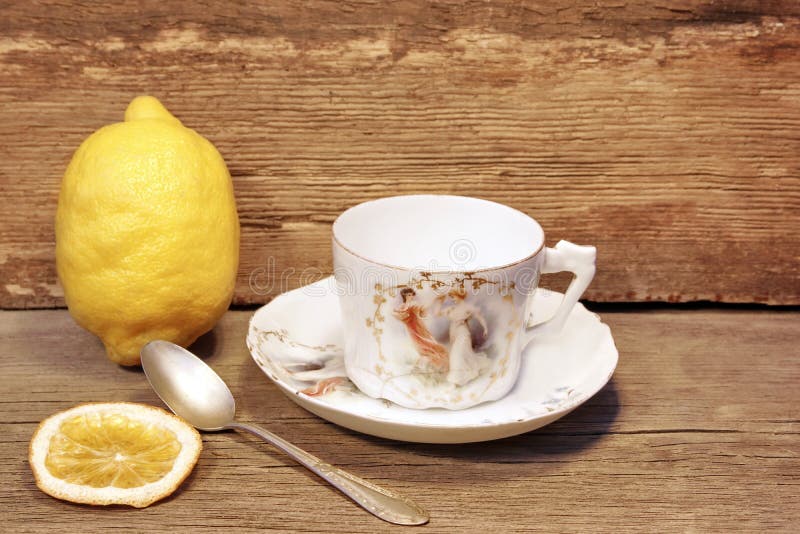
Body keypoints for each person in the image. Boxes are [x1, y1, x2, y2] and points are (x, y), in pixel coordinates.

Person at [434, 287, 491, 386]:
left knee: (457, 354)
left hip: (463, 332)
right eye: (451, 297)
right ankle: (463, 376)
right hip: (453, 334)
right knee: (463, 355)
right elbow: (437, 313)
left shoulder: (468, 307)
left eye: (454, 297)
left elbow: (479, 317)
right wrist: (440, 301)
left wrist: (485, 328)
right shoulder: (452, 309)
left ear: (460, 296)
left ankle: (457, 380)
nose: (452, 299)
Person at [393, 287, 449, 373]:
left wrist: (435, 299)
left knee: (428, 344)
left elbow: (423, 309)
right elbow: (399, 314)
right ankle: (420, 367)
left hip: (419, 327)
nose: (410, 296)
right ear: (404, 296)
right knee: (420, 347)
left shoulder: (414, 304)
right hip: (411, 329)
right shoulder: (403, 306)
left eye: (411, 294)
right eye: (408, 295)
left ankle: (434, 366)